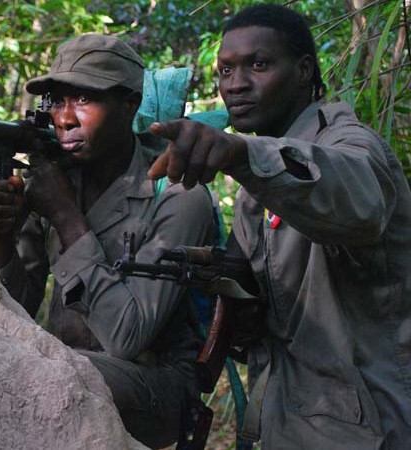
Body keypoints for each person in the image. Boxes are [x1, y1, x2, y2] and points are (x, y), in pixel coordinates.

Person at [148, 4, 411, 449]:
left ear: (305, 70)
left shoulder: (348, 142)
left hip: (366, 432)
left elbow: (354, 197)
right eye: (225, 69)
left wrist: (239, 154)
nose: (235, 84)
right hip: (284, 424)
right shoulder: (259, 179)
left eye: (259, 64)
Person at [0, 34, 217, 448]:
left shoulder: (177, 195)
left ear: (130, 105)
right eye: (56, 100)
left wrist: (66, 216)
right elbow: (15, 309)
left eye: (84, 99)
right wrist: (1, 238)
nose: (65, 118)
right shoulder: (54, 178)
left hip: (156, 385)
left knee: (49, 375)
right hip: (61, 368)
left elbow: (128, 337)